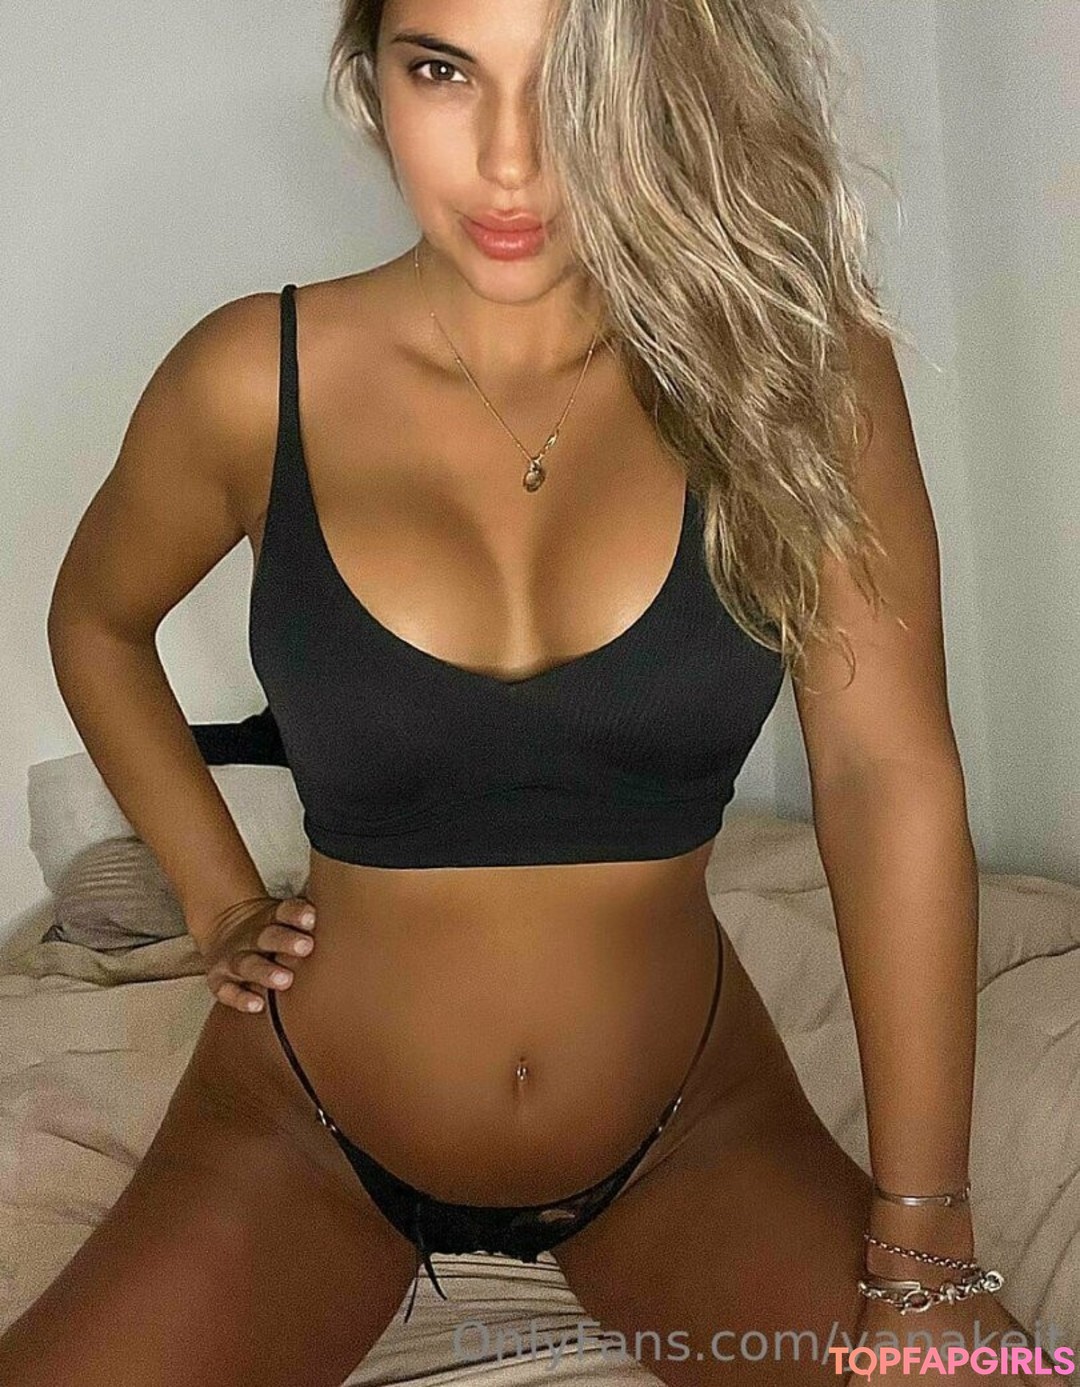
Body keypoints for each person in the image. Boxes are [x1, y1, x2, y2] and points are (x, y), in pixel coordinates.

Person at [1, 0, 1046, 1383]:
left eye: (572, 79)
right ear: (369, 73)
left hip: (684, 1130)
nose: (510, 160)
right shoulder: (252, 378)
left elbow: (886, 776)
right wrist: (216, 900)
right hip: (308, 1127)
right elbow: (96, 623)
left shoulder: (797, 373)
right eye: (444, 70)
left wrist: (925, 1244)